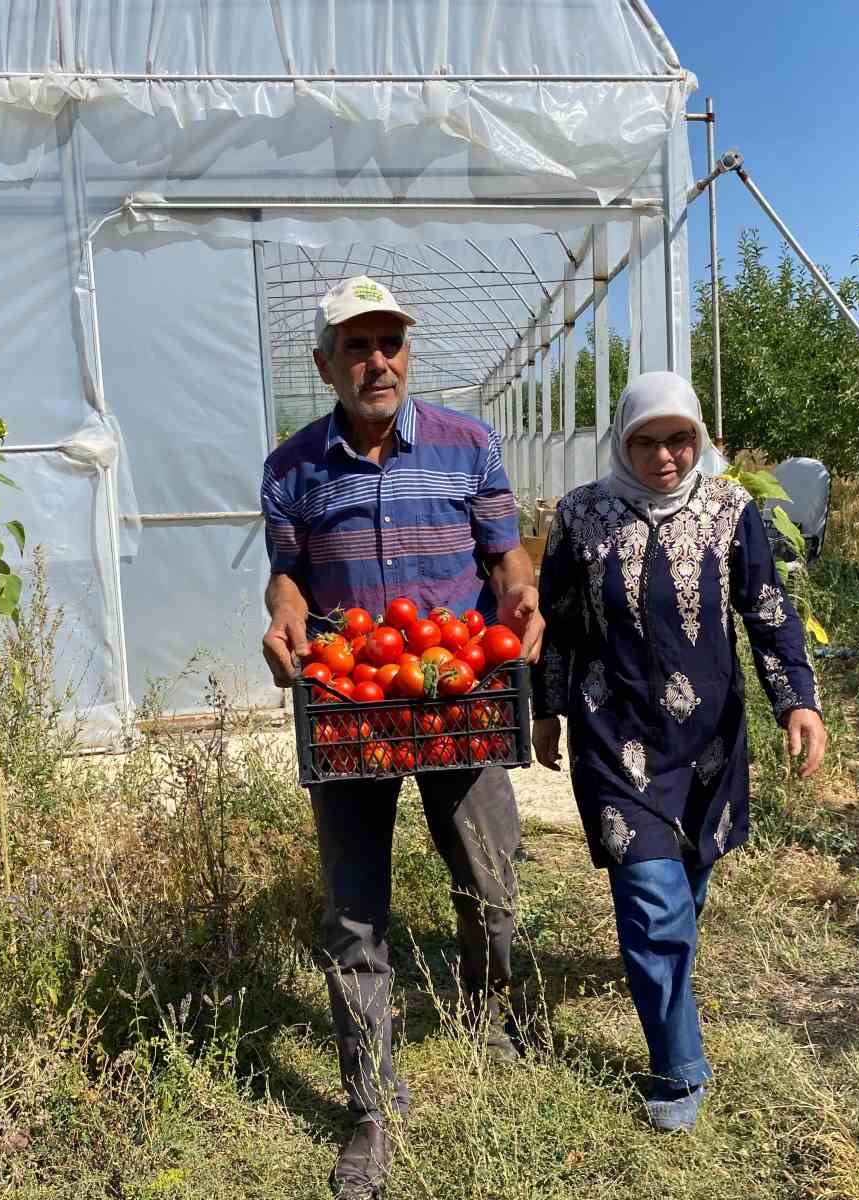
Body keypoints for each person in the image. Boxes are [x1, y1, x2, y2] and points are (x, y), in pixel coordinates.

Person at [259, 275, 543, 1199]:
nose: (376, 361)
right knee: (353, 912)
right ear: (325, 365)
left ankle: (490, 1020)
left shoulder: (469, 446)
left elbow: (506, 555)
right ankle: (371, 1106)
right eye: (356, 346)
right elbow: (290, 579)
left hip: (456, 691)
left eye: (390, 344)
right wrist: (283, 618)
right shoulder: (292, 466)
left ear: (407, 354)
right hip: (354, 707)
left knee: (491, 880)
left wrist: (522, 597)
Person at [530, 371, 827, 1133]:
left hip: (706, 743)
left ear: (698, 438)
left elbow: (765, 610)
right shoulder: (580, 516)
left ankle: (667, 970)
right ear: (622, 442)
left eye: (679, 438)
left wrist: (796, 700)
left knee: (686, 885)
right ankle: (678, 1066)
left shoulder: (730, 511)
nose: (664, 455)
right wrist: (548, 711)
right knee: (653, 900)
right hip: (613, 732)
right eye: (646, 440)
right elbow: (560, 623)